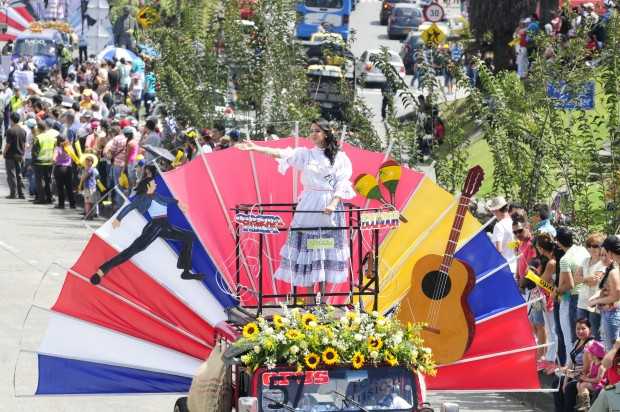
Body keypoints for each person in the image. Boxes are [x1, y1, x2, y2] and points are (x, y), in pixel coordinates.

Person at [236, 118, 356, 303]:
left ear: (327, 133)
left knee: (324, 250)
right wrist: (256, 148)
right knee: (308, 250)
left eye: (317, 130)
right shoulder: (306, 154)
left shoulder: (341, 157)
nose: (313, 134)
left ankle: (323, 303)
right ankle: (309, 303)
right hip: (309, 204)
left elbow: (342, 182)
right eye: (311, 130)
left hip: (329, 207)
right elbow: (281, 153)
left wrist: (333, 203)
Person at [90, 170, 203, 285]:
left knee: (190, 237)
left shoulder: (156, 196)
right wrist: (118, 218)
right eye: (154, 183)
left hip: (164, 226)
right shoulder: (143, 198)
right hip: (155, 227)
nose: (156, 185)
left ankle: (186, 271)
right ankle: (102, 270)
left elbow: (167, 200)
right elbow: (129, 207)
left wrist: (178, 202)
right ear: (148, 186)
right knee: (131, 251)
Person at [557, 227, 590, 351]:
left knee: (577, 333)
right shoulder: (582, 249)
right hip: (589, 293)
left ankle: (577, 365)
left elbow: (570, 285)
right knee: (589, 332)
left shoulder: (565, 259)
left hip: (576, 297)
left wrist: (557, 290)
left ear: (559, 242)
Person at [554, 318, 595, 412]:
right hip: (574, 374)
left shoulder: (591, 344)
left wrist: (569, 376)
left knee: (569, 387)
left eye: (583, 328)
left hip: (584, 376)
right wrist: (565, 380)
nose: (580, 331)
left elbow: (587, 369)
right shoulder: (577, 342)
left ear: (590, 329)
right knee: (557, 382)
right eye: (578, 328)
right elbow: (570, 362)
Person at [590, 236, 620, 351]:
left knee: (612, 353)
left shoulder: (614, 271)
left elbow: (616, 296)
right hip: (612, 312)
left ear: (609, 252)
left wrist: (596, 301)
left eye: (604, 253)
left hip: (613, 313)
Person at [575, 233, 606, 341]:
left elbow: (594, 282)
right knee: (582, 335)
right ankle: (585, 357)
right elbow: (576, 279)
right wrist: (587, 279)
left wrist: (583, 278)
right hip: (582, 303)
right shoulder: (585, 260)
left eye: (596, 246)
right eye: (590, 246)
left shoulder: (603, 263)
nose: (592, 248)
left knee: (596, 335)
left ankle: (597, 357)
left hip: (595, 304)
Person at [536, 233, 559, 369]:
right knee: (552, 329)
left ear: (541, 248)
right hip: (552, 296)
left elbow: (542, 282)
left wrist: (533, 276)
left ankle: (551, 358)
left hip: (551, 298)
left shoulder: (551, 262)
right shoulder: (554, 259)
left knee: (552, 330)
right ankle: (551, 357)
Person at [32, 118, 58, 204]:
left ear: (39, 129)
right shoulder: (52, 138)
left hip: (39, 162)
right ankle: (49, 198)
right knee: (48, 180)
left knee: (39, 181)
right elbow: (55, 149)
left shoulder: (38, 138)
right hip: (49, 162)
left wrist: (33, 163)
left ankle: (41, 199)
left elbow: (35, 152)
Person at [486, 196, 516, 271]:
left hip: (502, 267)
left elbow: (498, 250)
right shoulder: (513, 223)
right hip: (514, 264)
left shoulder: (499, 226)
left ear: (496, 210)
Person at [576, 340, 607, 411]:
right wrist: (585, 376)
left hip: (599, 384)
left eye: (589, 353)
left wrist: (586, 379)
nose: (588, 355)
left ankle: (585, 404)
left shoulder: (601, 366)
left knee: (583, 385)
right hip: (593, 382)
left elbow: (598, 380)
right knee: (578, 384)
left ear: (594, 355)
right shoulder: (593, 363)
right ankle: (582, 401)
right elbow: (591, 374)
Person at [3, 112, 26, 199]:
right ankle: (21, 193)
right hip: (19, 155)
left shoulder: (10, 130)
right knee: (19, 174)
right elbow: (24, 144)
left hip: (11, 156)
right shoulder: (23, 131)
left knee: (11, 175)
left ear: (11, 120)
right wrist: (23, 153)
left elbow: (8, 144)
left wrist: (4, 152)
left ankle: (13, 193)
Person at [52, 136, 76, 209]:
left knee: (60, 187)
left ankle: (61, 204)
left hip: (59, 168)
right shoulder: (70, 148)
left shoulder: (57, 148)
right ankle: (72, 204)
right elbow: (73, 157)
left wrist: (54, 162)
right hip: (68, 168)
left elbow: (54, 159)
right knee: (69, 187)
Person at [79, 154, 99, 220]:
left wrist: (82, 176)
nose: (87, 163)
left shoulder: (90, 169)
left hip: (90, 187)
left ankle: (88, 215)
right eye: (86, 161)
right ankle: (89, 214)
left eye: (88, 161)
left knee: (88, 202)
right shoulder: (87, 169)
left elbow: (84, 177)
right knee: (88, 202)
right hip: (87, 187)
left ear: (92, 162)